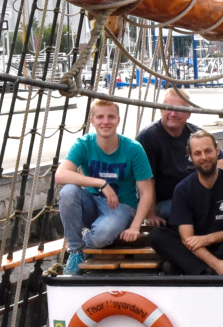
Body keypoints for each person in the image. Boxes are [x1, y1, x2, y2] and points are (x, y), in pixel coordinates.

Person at [55, 97, 154, 275]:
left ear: (118, 120)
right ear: (92, 121)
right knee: (68, 191)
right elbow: (61, 175)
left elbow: (146, 193)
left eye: (111, 117)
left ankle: (88, 240)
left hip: (122, 207)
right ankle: (76, 251)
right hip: (92, 202)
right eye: (100, 117)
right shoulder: (84, 144)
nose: (105, 122)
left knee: (101, 236)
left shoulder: (133, 149)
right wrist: (101, 183)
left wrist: (135, 226)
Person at [149, 129, 223, 275]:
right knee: (157, 235)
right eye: (197, 153)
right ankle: (212, 269)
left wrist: (209, 238)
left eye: (208, 151)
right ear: (191, 157)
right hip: (197, 249)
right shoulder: (183, 189)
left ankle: (191, 267)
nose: (204, 157)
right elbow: (187, 238)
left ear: (217, 150)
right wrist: (216, 264)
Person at [136, 87, 223, 221]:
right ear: (161, 110)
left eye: (179, 109)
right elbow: (146, 180)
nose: (173, 113)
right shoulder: (149, 136)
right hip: (164, 201)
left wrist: (200, 175)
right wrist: (151, 215)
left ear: (189, 113)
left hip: (195, 196)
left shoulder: (196, 134)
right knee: (196, 212)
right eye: (168, 107)